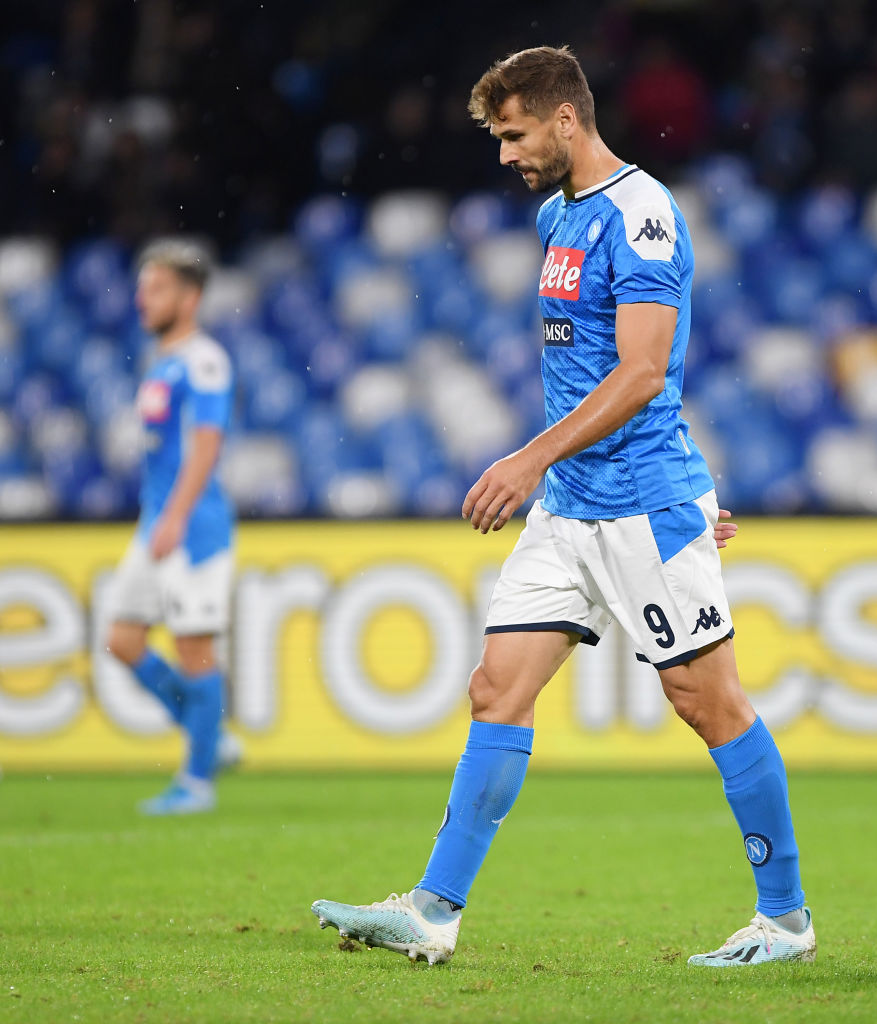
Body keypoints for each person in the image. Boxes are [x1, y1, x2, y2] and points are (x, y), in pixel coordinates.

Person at [312, 45, 814, 968]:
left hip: (640, 508)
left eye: (513, 135)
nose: (504, 155)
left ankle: (785, 918)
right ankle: (434, 909)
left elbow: (643, 370)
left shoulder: (644, 213)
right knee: (496, 689)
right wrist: (554, 475)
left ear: (565, 119)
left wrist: (540, 461)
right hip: (571, 512)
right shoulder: (558, 217)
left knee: (709, 704)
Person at [105, 239, 236, 815]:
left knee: (193, 650)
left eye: (155, 289)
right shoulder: (162, 360)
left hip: (192, 527)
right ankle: (211, 735)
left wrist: (178, 516)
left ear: (191, 297)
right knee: (122, 640)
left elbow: (207, 442)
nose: (142, 299)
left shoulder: (203, 359)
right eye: (141, 288)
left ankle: (197, 780)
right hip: (155, 521)